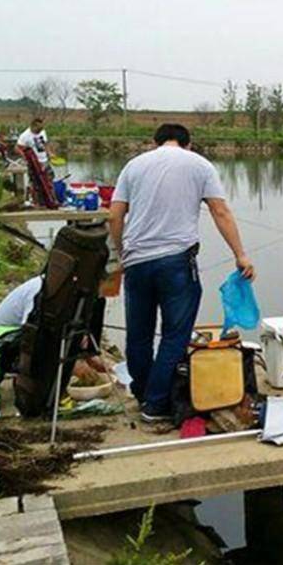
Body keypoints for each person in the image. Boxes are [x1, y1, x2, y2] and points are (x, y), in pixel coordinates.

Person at [109, 123, 255, 423]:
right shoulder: (199, 164)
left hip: (137, 262)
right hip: (176, 262)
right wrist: (240, 255)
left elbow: (115, 214)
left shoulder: (133, 166)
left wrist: (121, 254)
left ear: (155, 142)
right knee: (175, 334)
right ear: (189, 144)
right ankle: (156, 404)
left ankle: (143, 392)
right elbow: (220, 211)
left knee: (139, 334)